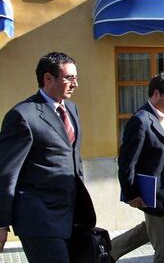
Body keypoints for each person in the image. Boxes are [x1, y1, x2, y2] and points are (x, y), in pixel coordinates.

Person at [0, 52, 96, 262]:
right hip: (38, 218)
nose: (75, 84)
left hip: (71, 216)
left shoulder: (71, 109)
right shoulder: (22, 116)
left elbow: (73, 158)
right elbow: (6, 174)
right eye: (69, 78)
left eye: (76, 78)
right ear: (48, 78)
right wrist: (1, 223)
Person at [111, 72, 164, 263]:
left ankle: (107, 251)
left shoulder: (163, 116)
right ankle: (107, 252)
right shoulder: (141, 120)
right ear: (156, 94)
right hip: (153, 188)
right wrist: (131, 193)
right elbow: (127, 161)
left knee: (156, 226)